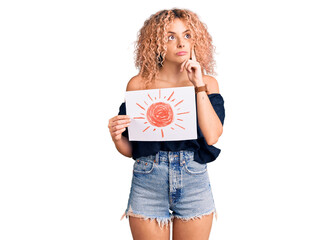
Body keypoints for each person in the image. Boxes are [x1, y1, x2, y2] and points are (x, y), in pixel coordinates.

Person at [108, 8, 225, 240]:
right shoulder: (139, 84)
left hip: (193, 178)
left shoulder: (208, 83)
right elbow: (133, 150)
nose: (181, 43)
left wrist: (198, 83)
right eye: (170, 36)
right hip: (148, 178)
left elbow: (212, 136)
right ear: (156, 43)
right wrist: (117, 137)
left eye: (188, 35)